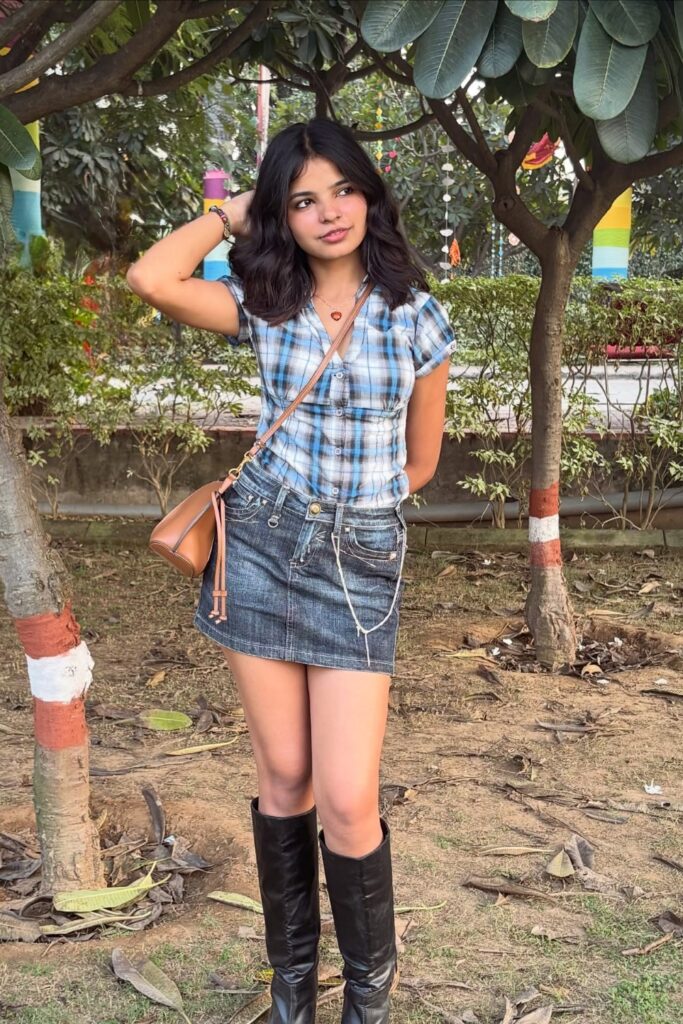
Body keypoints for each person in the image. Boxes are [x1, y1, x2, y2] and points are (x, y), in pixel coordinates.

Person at [126, 117, 456, 1024]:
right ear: (282, 214)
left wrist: (356, 514)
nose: (329, 212)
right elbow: (151, 278)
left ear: (370, 195)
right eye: (303, 200)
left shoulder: (416, 316)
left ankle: (367, 1001)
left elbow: (420, 463)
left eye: (343, 190)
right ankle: (291, 993)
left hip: (359, 563)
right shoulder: (264, 300)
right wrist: (232, 212)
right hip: (262, 547)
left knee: (347, 797)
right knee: (283, 777)